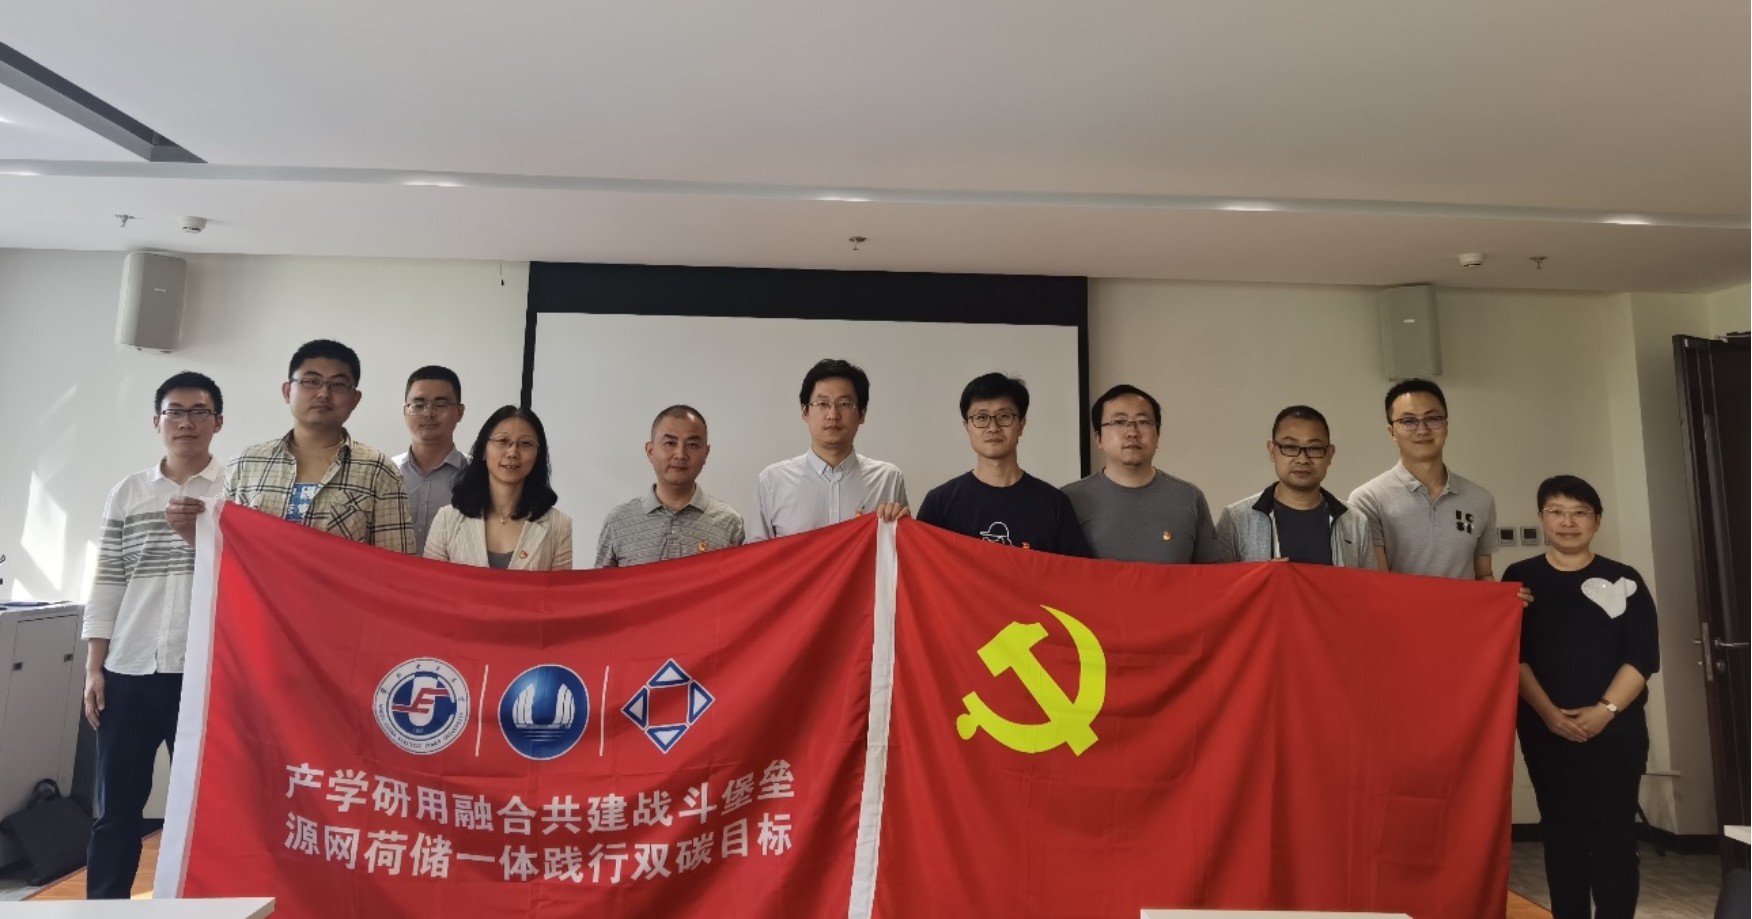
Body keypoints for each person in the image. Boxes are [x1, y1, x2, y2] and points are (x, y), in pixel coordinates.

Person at [83, 371, 226, 898]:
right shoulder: (128, 492)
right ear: (157, 421)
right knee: (115, 812)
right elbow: (108, 579)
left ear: (217, 422)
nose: (186, 422)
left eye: (199, 412)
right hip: (130, 668)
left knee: (209, 809)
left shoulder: (236, 491)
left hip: (204, 674)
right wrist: (94, 667)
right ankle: (104, 908)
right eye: (175, 412)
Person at [1508, 475, 1659, 919]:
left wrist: (1604, 711)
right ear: (1542, 519)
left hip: (1617, 730)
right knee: (1561, 834)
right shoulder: (1520, 579)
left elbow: (1642, 658)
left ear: (1597, 521)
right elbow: (1512, 654)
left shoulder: (1625, 579)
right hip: (1544, 729)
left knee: (1614, 835)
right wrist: (1549, 715)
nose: (1567, 522)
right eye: (1556, 512)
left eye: (1579, 513)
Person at [167, 339, 414, 553]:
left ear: (355, 399)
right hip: (260, 597)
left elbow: (396, 565)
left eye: (338, 385)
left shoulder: (378, 470)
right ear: (287, 391)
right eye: (311, 381)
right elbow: (225, 550)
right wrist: (188, 529)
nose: (323, 393)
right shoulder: (246, 465)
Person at [917, 373, 1089, 556]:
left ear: (1021, 425)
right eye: (981, 417)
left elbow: (1075, 570)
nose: (993, 428)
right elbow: (917, 564)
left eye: (1004, 416)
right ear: (967, 427)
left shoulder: (1054, 503)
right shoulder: (939, 503)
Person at [1348, 378, 1501, 578]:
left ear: (1446, 425)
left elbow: (1484, 576)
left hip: (1464, 602)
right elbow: (1380, 584)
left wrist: (1510, 595)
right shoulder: (1368, 499)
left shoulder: (1480, 499)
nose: (1422, 430)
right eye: (1408, 421)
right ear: (1392, 432)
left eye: (1433, 419)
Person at [749, 358, 907, 541]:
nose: (833, 415)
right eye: (822, 404)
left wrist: (904, 527)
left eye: (844, 404)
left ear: (862, 414)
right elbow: (756, 555)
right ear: (805, 412)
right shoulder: (772, 482)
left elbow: (901, 550)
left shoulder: (888, 480)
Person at [1061, 384, 1219, 563]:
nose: (1132, 432)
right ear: (1098, 438)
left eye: (1143, 422)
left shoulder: (1189, 498)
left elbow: (1212, 575)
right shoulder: (1068, 501)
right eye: (1119, 422)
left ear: (1157, 435)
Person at [1215, 405, 1375, 567]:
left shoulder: (1355, 522)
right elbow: (1217, 581)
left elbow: (1369, 582)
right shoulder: (1236, 519)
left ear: (1330, 454)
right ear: (1272, 451)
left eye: (1314, 448)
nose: (1303, 459)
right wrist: (1262, 575)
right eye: (1290, 447)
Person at [595, 405, 744, 567]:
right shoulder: (618, 522)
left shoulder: (729, 523)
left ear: (706, 453)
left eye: (692, 445)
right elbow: (601, 583)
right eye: (670, 443)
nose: (680, 454)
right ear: (650, 451)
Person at [425, 406, 572, 570]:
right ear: (483, 450)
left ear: (538, 455)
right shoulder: (447, 520)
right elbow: (430, 583)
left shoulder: (559, 525)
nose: (512, 452)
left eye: (525, 444)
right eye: (502, 441)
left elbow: (560, 587)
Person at [394, 365, 468, 554]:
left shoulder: (479, 475)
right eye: (418, 405)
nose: (428, 413)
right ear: (405, 411)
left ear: (460, 412)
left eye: (440, 404)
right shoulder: (386, 472)